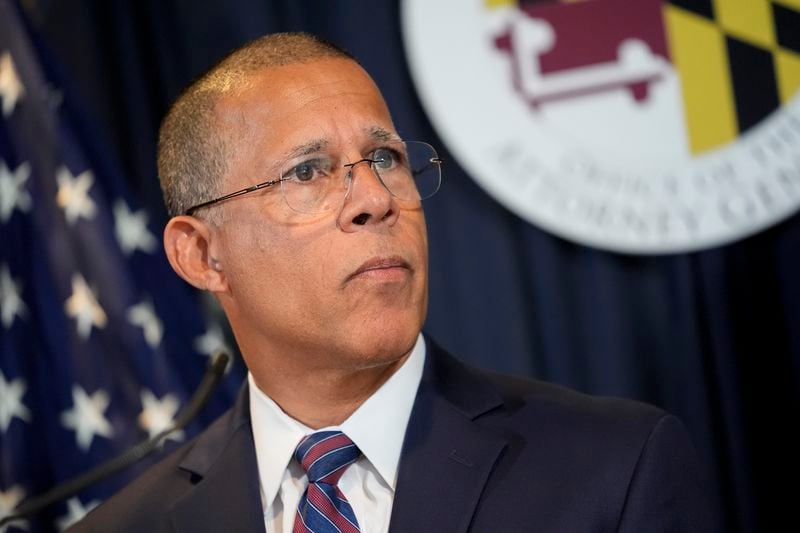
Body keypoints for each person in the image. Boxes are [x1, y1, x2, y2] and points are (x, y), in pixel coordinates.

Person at [72, 32, 719, 532]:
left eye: (385, 158)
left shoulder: (614, 469)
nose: (376, 199)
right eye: (307, 172)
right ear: (201, 254)